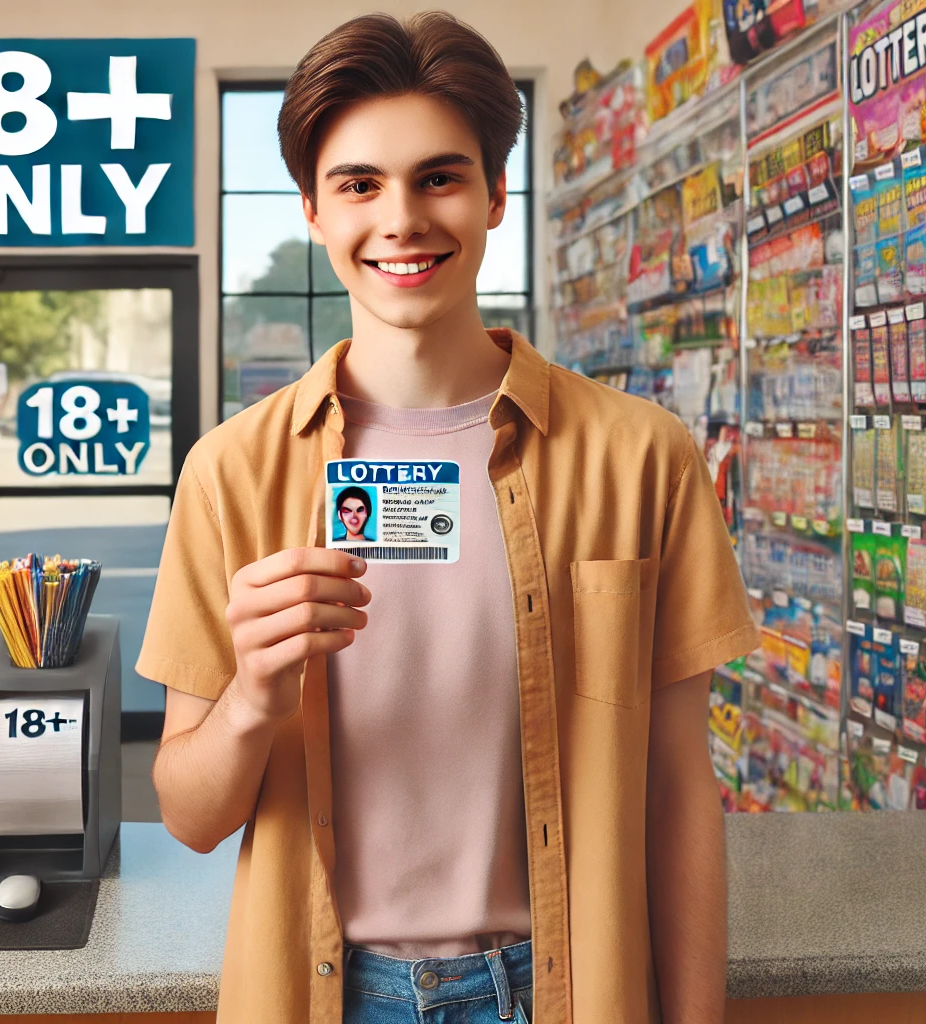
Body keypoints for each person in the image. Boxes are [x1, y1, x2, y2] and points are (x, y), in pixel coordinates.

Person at [140, 12, 757, 1024]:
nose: (401, 220)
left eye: (438, 177)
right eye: (358, 185)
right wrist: (252, 694)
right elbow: (189, 816)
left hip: (569, 992)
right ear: (311, 210)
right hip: (332, 994)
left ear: (494, 194)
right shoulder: (231, 476)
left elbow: (681, 792)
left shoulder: (643, 457)